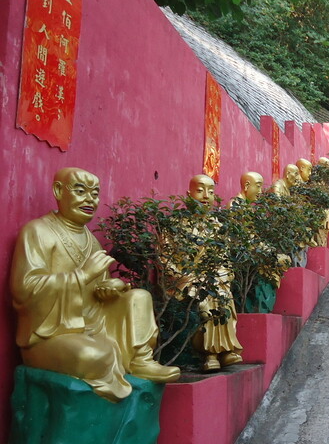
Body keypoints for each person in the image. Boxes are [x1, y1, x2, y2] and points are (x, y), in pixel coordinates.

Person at [10, 167, 180, 402]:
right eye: (81, 191)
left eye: (95, 193)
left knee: (139, 296)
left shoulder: (90, 240)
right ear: (59, 191)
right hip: (53, 332)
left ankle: (141, 360)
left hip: (94, 323)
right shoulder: (38, 231)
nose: (90, 199)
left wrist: (112, 288)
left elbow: (98, 289)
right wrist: (82, 276)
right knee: (95, 356)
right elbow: (24, 290)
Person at [178, 175, 244, 372]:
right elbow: (170, 259)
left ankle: (223, 350)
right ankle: (211, 354)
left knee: (224, 297)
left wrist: (222, 274)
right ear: (188, 195)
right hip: (189, 278)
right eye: (200, 190)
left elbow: (223, 259)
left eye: (211, 191)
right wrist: (193, 277)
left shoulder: (216, 225)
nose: (206, 196)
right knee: (209, 300)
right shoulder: (178, 224)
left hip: (214, 279)